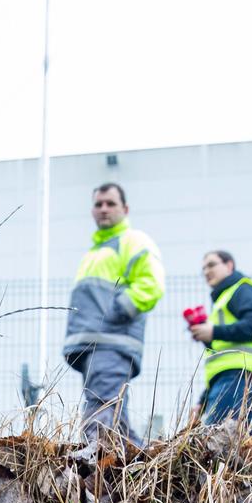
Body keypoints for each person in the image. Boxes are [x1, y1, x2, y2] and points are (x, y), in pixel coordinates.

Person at [64, 183, 165, 444]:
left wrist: (118, 311)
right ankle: (139, 468)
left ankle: (95, 470)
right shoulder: (96, 253)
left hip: (111, 343)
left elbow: (151, 284)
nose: (104, 209)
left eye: (110, 203)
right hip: (95, 345)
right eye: (98, 204)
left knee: (100, 412)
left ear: (125, 208)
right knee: (115, 419)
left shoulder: (132, 241)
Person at [193, 250, 252, 431]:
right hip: (231, 379)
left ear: (229, 265)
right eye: (203, 268)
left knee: (224, 442)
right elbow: (221, 360)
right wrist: (203, 400)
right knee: (236, 442)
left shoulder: (241, 290)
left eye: (211, 265)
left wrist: (214, 332)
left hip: (239, 377)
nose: (206, 271)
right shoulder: (224, 299)